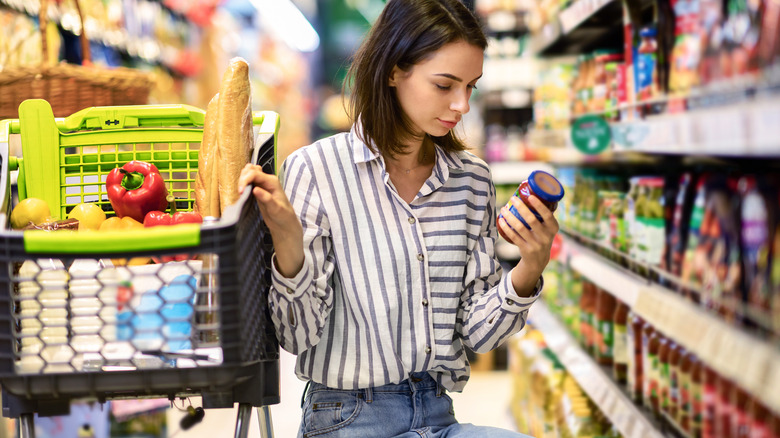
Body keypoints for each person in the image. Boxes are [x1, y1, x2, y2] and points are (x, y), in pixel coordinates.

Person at [238, 0, 559, 436]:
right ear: (393, 71)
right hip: (347, 416)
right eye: (445, 85)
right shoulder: (316, 170)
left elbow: (478, 335)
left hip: (437, 410)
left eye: (471, 87)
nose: (462, 104)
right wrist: (290, 247)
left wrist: (530, 266)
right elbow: (297, 338)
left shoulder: (471, 180)